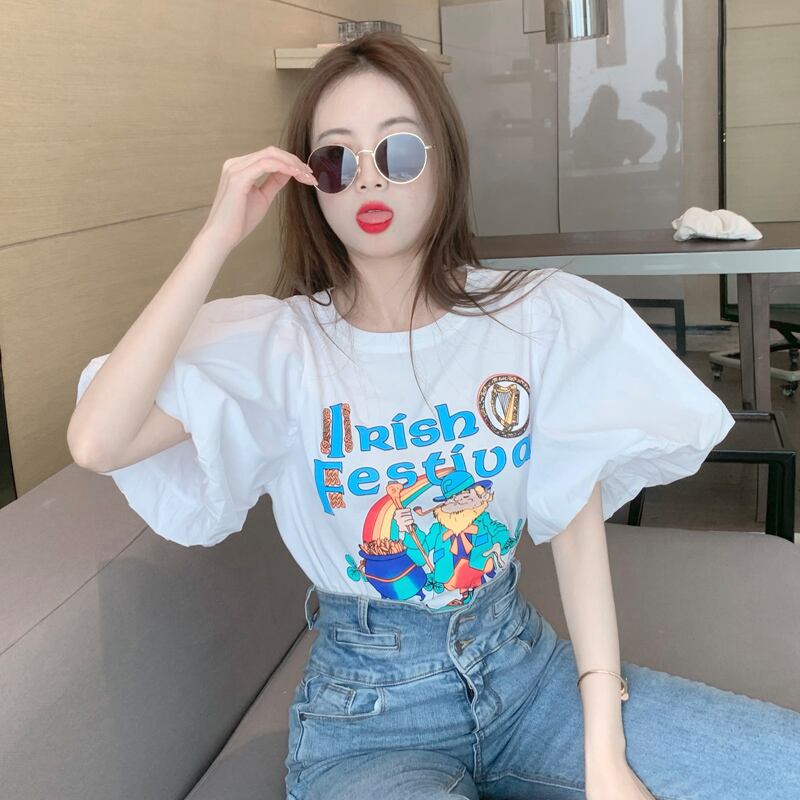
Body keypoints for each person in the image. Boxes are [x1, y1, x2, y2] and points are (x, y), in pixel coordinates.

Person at [68, 32, 800, 800]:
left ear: (445, 161)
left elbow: (577, 531)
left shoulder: (534, 318)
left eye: (399, 152)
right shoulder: (279, 347)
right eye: (336, 160)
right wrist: (216, 235)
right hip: (367, 723)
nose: (368, 179)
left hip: (527, 677)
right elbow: (97, 439)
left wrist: (604, 751)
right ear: (312, 184)